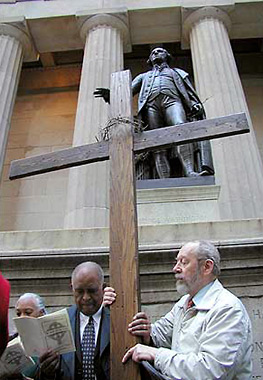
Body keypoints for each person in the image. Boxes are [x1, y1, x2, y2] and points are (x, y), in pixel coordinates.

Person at [120, 241, 252, 379]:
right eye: (177, 262)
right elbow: (161, 334)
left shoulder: (227, 309)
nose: (175, 268)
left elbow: (210, 371)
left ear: (206, 267)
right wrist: (147, 333)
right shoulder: (185, 302)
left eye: (184, 262)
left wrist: (156, 355)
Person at [94, 47, 214, 179]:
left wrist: (194, 104)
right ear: (149, 59)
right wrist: (111, 95)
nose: (156, 53)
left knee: (181, 129)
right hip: (151, 107)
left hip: (173, 102)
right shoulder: (144, 77)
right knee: (157, 142)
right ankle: (164, 179)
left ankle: (190, 171)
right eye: (153, 53)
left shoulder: (178, 73)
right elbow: (126, 92)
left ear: (167, 55)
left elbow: (189, 92)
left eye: (160, 51)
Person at [39, 261, 112, 380]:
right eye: (79, 291)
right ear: (72, 289)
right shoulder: (58, 322)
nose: (86, 297)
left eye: (92, 291)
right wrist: (47, 372)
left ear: (103, 288)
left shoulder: (117, 321)